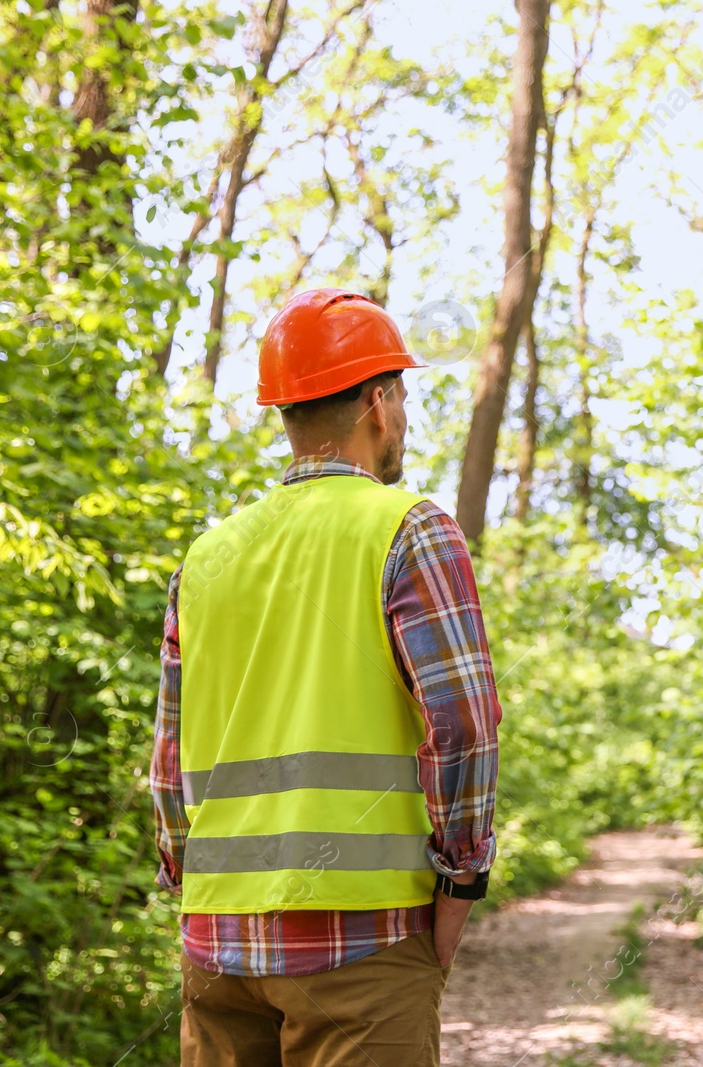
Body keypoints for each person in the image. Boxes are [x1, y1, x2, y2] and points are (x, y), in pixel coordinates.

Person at [150, 288, 502, 1067]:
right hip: (363, 941)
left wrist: (196, 889)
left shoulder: (205, 558)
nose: (402, 414)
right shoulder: (409, 528)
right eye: (402, 394)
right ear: (378, 402)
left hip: (216, 944)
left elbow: (168, 767)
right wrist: (459, 889)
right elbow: (465, 724)